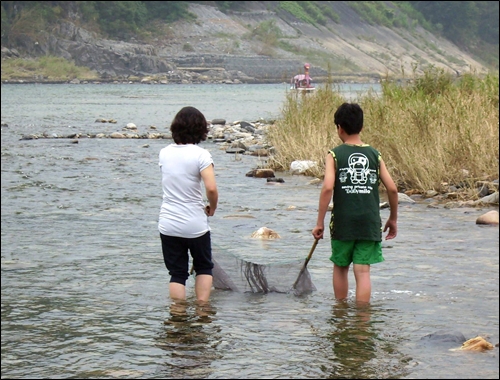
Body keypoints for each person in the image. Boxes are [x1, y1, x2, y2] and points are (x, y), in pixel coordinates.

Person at [312, 102, 398, 304]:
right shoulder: (375, 155)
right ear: (362, 127)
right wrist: (393, 218)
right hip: (369, 221)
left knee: (341, 266)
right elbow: (393, 189)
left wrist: (320, 222)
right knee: (363, 271)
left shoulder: (334, 155)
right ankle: (362, 321)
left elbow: (327, 188)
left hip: (343, 221)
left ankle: (341, 316)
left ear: (339, 128)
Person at [158, 106, 218, 303]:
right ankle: (202, 311)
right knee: (203, 267)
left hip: (168, 223)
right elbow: (210, 188)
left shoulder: (164, 153)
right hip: (195, 225)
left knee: (177, 273)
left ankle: (177, 317)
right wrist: (213, 207)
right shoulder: (201, 155)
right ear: (201, 130)